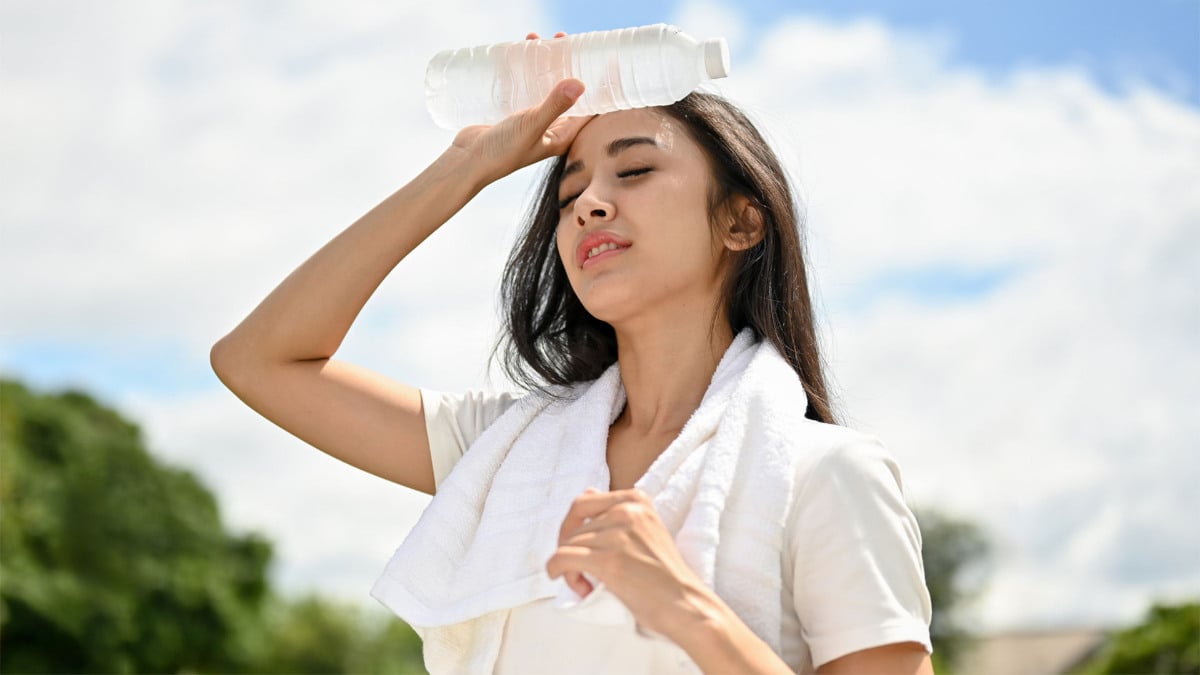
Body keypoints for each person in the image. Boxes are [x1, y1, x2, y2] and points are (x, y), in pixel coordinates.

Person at [212, 32, 933, 675]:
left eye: (636, 171)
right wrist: (464, 168)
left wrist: (687, 607)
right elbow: (257, 360)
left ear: (741, 221)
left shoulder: (828, 475)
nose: (589, 201)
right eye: (568, 191)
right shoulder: (505, 451)